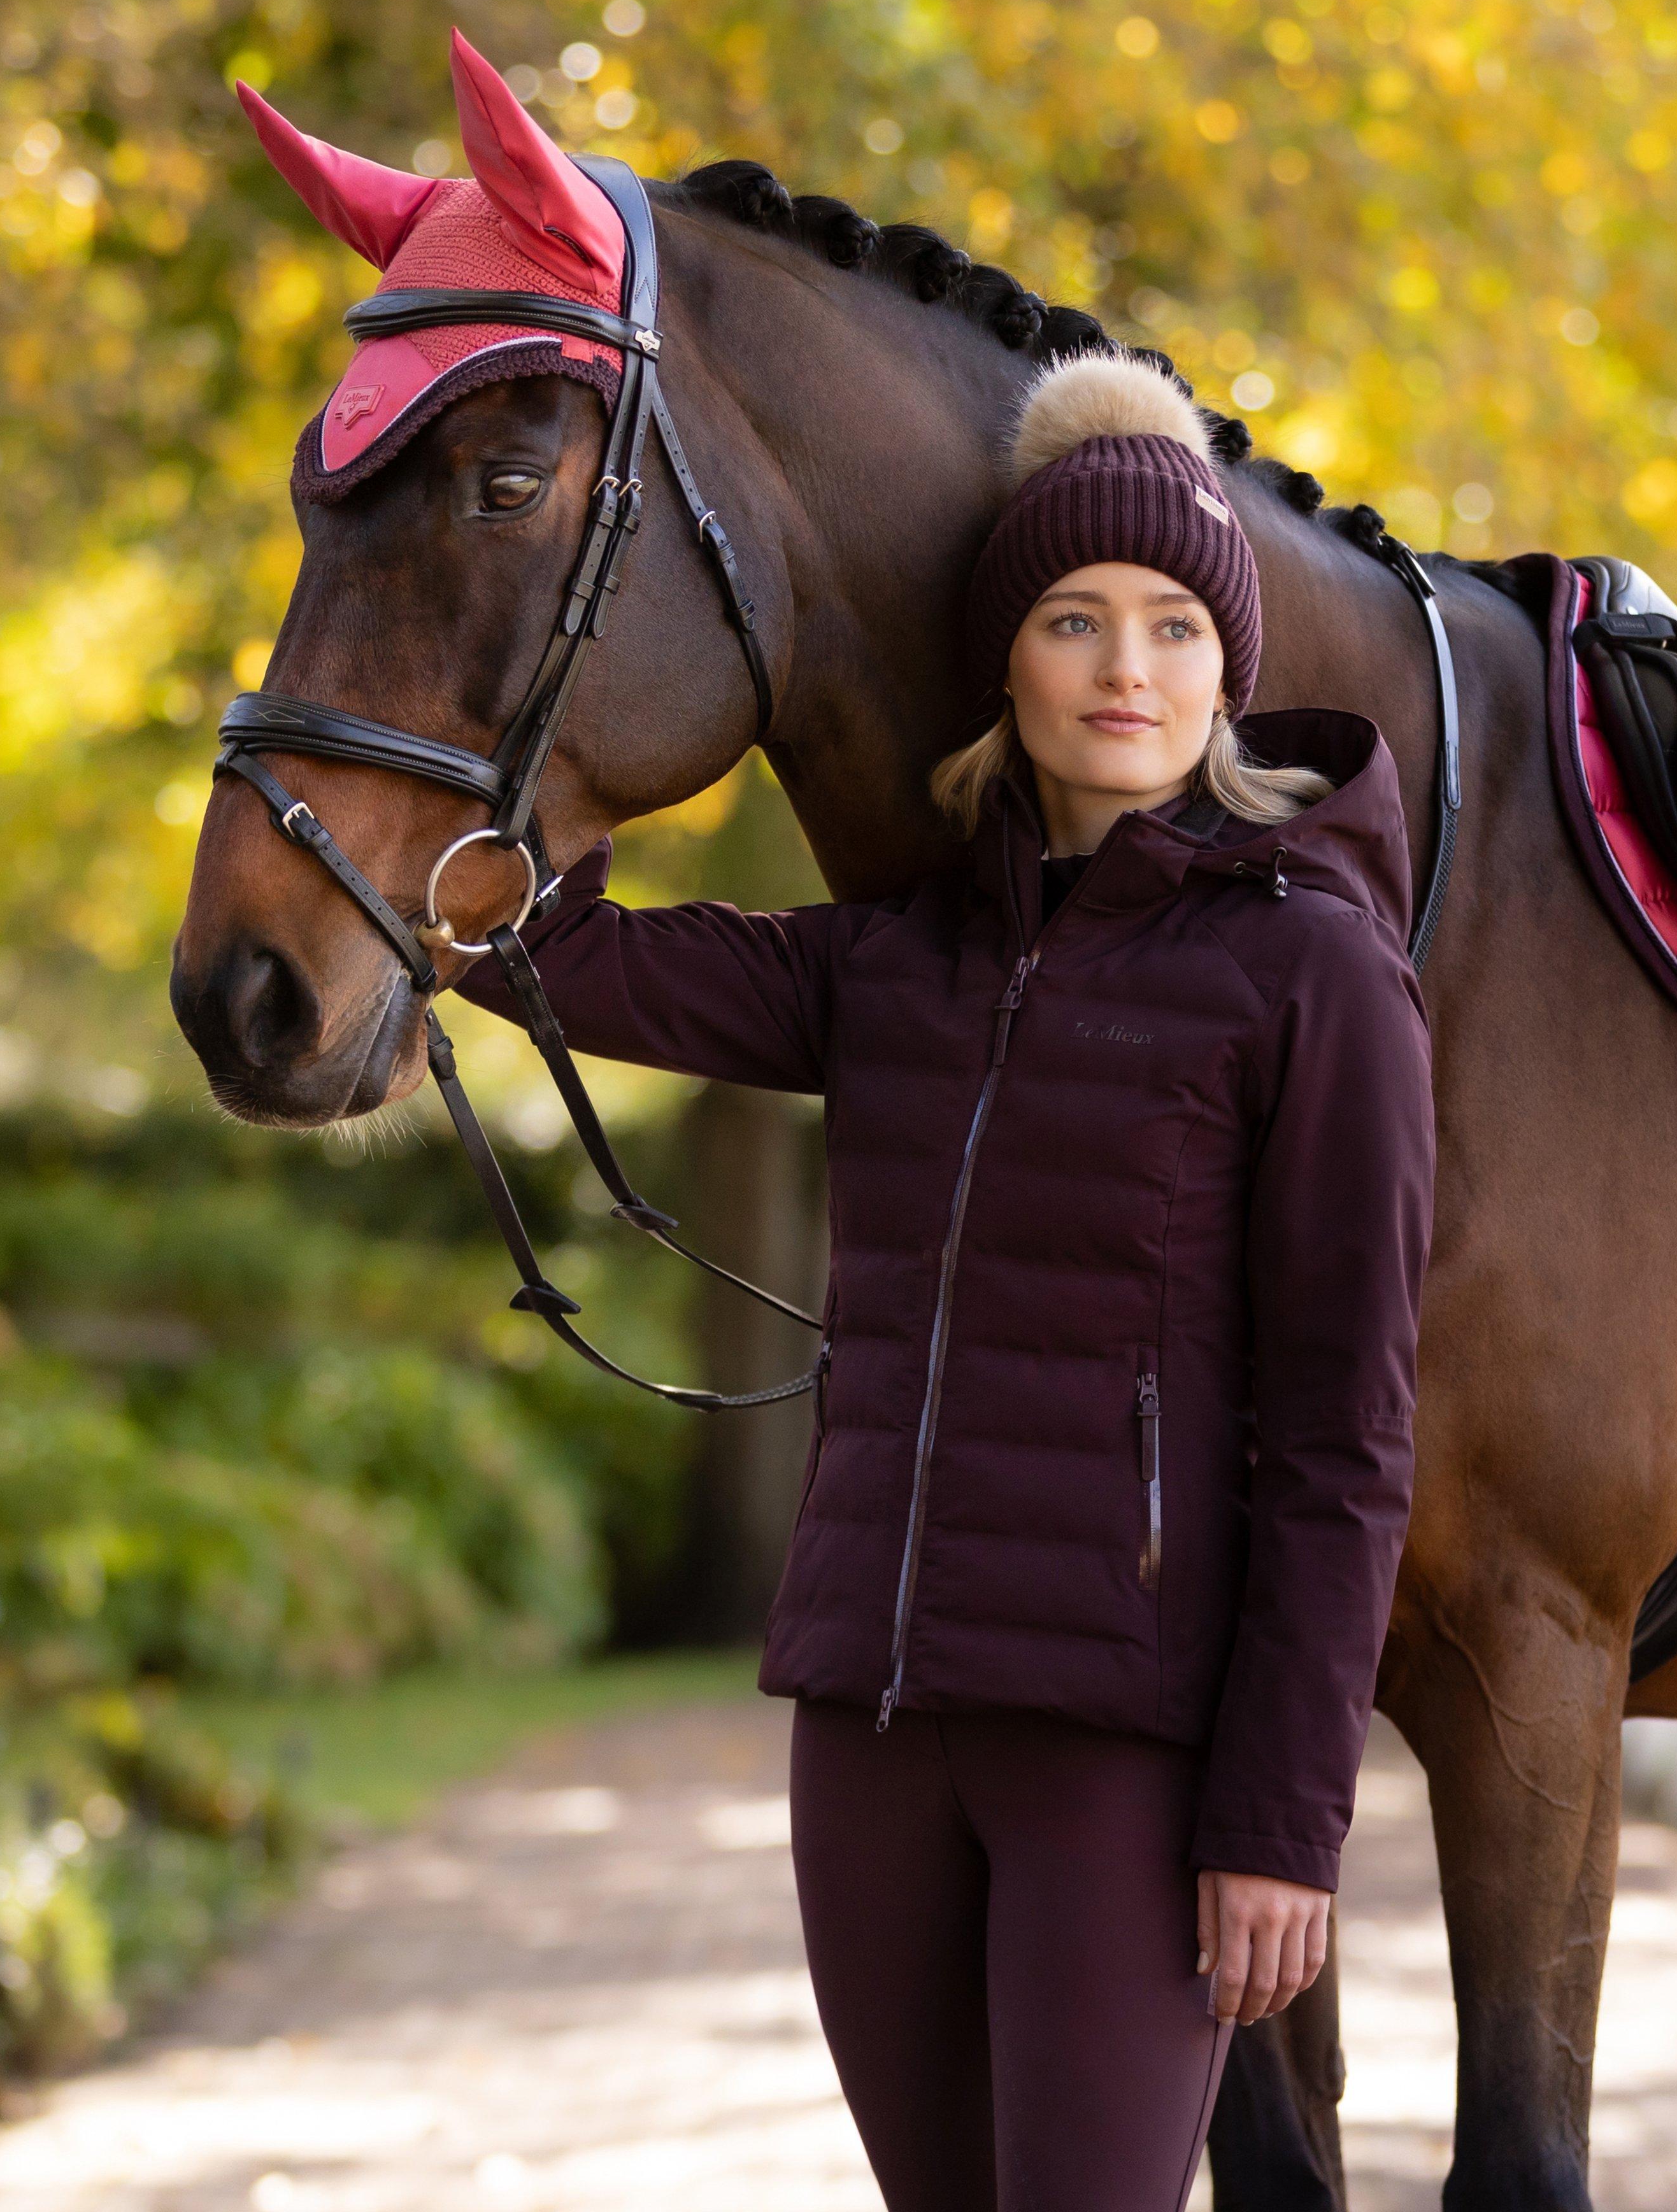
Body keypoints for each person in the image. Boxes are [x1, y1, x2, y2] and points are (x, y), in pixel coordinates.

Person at [462, 350, 1434, 2212]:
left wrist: (1283, 1824)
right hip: (874, 1731)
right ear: (1009, 657)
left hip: (1125, 1756)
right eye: (1076, 621)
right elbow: (557, 957)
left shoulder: (1317, 972)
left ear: (1229, 668)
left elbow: (1344, 1441)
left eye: (1170, 626)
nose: (1126, 669)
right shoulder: (892, 964)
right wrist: (503, 707)